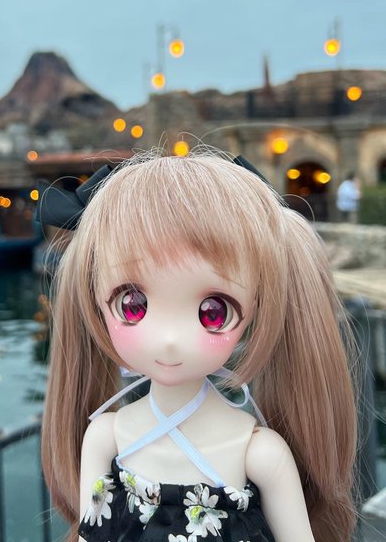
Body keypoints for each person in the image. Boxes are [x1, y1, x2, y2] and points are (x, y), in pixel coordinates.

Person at [38, 151, 357, 542]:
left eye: (213, 312)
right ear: (94, 298)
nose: (170, 339)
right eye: (132, 305)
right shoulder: (106, 437)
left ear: (256, 307)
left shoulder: (259, 455)